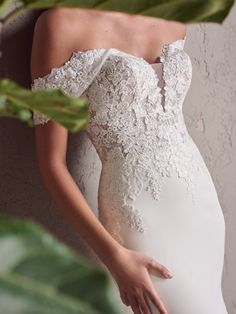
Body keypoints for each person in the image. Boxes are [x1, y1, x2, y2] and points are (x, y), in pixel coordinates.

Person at [30, 7, 228, 314]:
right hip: (138, 212)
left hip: (199, 206)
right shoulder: (61, 24)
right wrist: (114, 256)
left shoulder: (172, 16)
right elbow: (52, 164)